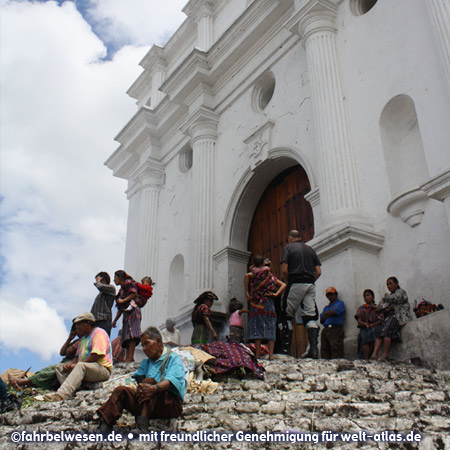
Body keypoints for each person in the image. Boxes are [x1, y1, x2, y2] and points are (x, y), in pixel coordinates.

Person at [97, 326, 185, 433]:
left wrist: (154, 388)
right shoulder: (146, 363)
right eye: (142, 345)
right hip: (149, 404)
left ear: (158, 341)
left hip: (169, 405)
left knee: (150, 383)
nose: (144, 348)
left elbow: (172, 380)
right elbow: (140, 380)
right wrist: (145, 387)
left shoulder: (173, 358)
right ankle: (105, 425)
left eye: (147, 343)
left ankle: (141, 425)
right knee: (121, 391)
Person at [44, 312, 112, 401]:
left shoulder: (99, 333)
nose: (77, 327)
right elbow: (77, 357)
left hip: (102, 369)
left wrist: (77, 365)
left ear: (88, 323)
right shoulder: (84, 339)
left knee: (80, 366)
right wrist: (70, 364)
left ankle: (61, 395)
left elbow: (96, 355)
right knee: (59, 368)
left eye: (79, 324)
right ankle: (73, 391)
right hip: (87, 368)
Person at [280, 230, 322, 358]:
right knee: (310, 316)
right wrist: (309, 281)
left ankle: (286, 352)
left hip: (295, 282)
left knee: (285, 314)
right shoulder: (311, 250)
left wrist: (290, 282)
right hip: (310, 283)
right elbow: (318, 271)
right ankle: (314, 351)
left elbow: (284, 269)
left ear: (291, 238)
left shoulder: (289, 248)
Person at [8, 323, 80, 390]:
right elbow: (62, 352)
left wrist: (74, 346)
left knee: (50, 372)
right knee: (45, 371)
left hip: (70, 364)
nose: (76, 330)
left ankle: (21, 382)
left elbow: (70, 352)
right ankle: (25, 385)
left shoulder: (83, 341)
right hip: (65, 363)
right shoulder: (75, 341)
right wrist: (70, 338)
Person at [245, 255, 286, 360]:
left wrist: (247, 293)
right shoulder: (270, 276)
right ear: (264, 264)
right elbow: (283, 285)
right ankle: (271, 355)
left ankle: (258, 354)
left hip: (256, 304)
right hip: (268, 303)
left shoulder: (253, 275)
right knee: (270, 326)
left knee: (257, 328)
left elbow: (247, 275)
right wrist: (276, 294)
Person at [371, 277, 412, 361]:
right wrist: (386, 302)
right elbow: (380, 306)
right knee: (379, 330)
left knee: (387, 331)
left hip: (398, 316)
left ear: (396, 284)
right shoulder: (388, 296)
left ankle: (385, 354)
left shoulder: (401, 292)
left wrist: (387, 298)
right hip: (388, 317)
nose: (389, 286)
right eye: (387, 284)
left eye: (390, 284)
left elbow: (396, 298)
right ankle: (374, 354)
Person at [112, 270, 141, 362]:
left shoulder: (128, 283)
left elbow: (134, 293)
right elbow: (120, 308)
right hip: (126, 313)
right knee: (127, 335)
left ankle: (130, 357)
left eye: (115, 277)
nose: (114, 280)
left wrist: (123, 301)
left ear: (120, 277)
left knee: (132, 334)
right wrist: (115, 320)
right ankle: (128, 358)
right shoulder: (121, 291)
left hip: (133, 312)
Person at [355, 289, 382, 359]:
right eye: (365, 296)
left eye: (368, 295)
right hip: (364, 327)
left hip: (374, 327)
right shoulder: (361, 308)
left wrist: (372, 325)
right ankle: (366, 358)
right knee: (364, 340)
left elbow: (380, 319)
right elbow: (358, 320)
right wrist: (364, 324)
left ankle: (371, 356)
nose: (366, 297)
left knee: (373, 338)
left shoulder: (377, 308)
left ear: (372, 297)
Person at [320, 287, 346, 359]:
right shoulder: (326, 307)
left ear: (336, 294)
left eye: (332, 294)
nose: (330, 296)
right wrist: (328, 314)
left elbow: (335, 312)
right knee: (325, 349)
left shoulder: (340, 303)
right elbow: (322, 319)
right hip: (326, 329)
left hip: (335, 328)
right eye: (328, 295)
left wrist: (327, 314)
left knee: (336, 348)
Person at [91, 272, 116, 336]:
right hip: (96, 321)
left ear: (102, 279)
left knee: (103, 342)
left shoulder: (111, 288)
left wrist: (98, 281)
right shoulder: (100, 294)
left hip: (104, 321)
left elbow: (100, 286)